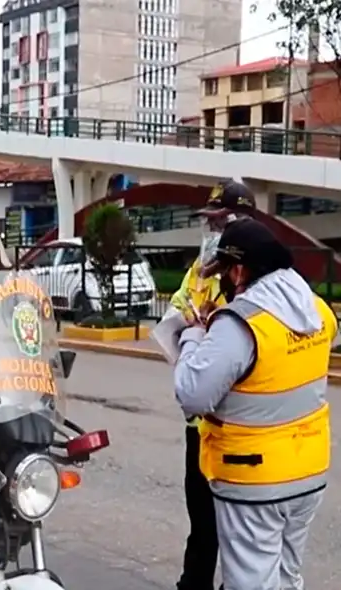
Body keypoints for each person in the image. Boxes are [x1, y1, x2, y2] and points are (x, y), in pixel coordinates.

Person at [173, 218, 334, 590]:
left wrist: (195, 337)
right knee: (286, 577)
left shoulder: (240, 324)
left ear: (240, 269)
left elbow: (192, 394)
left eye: (225, 272)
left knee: (252, 583)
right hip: (308, 471)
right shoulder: (317, 310)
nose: (224, 281)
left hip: (254, 478)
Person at [168, 179, 255, 590]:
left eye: (221, 222)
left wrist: (204, 329)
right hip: (199, 427)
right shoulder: (199, 270)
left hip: (238, 428)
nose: (213, 231)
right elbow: (178, 306)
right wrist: (186, 327)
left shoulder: (256, 275)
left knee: (239, 532)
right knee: (201, 527)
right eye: (211, 222)